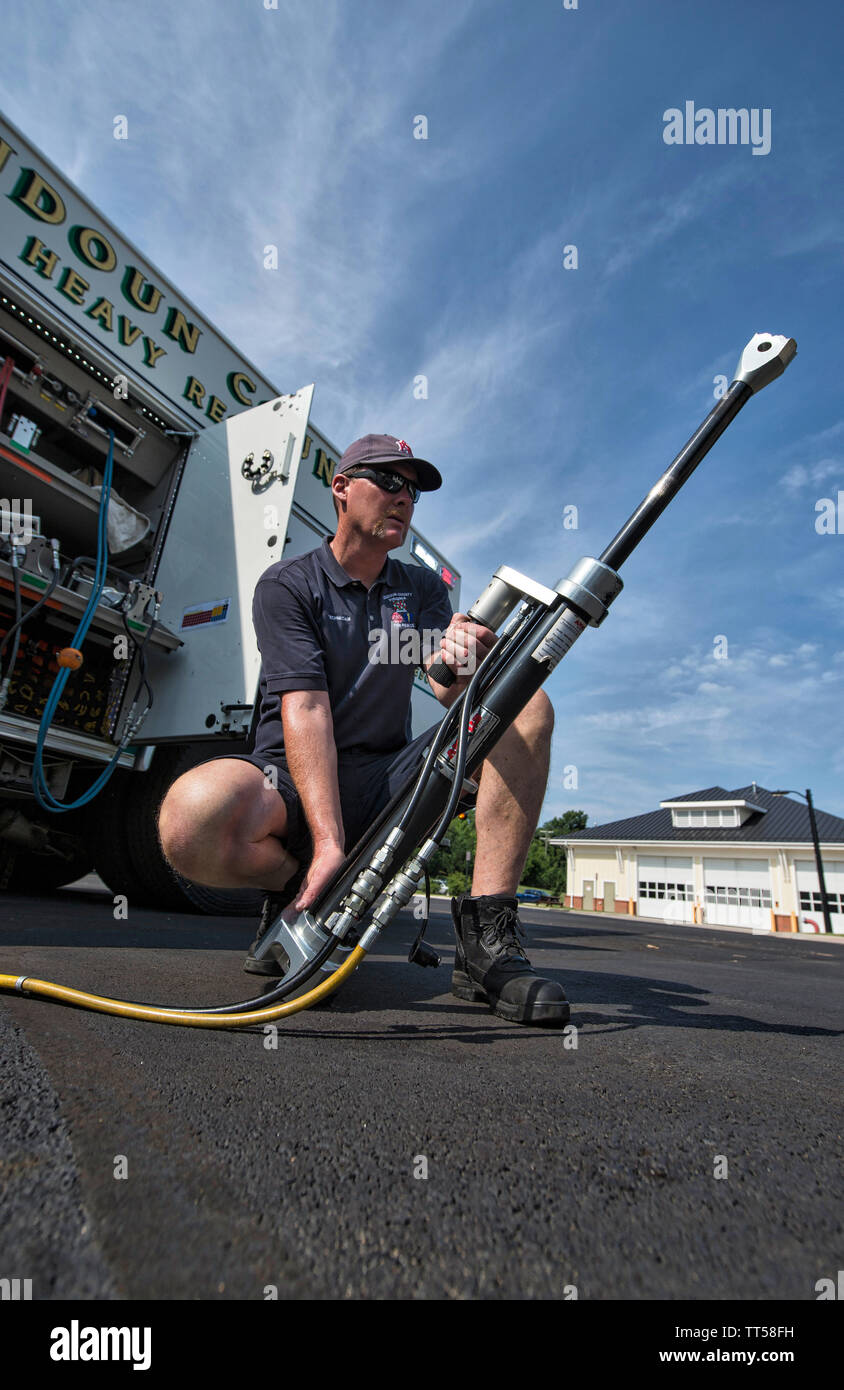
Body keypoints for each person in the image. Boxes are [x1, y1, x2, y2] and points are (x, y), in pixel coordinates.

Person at [157, 434, 568, 1026]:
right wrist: (327, 845)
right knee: (191, 815)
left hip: (384, 779)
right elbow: (306, 709)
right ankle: (297, 889)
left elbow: (447, 684)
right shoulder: (290, 585)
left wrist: (466, 656)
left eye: (415, 490)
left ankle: (486, 941)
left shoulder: (420, 588)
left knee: (524, 706)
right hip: (291, 781)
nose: (406, 497)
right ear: (343, 488)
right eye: (391, 482)